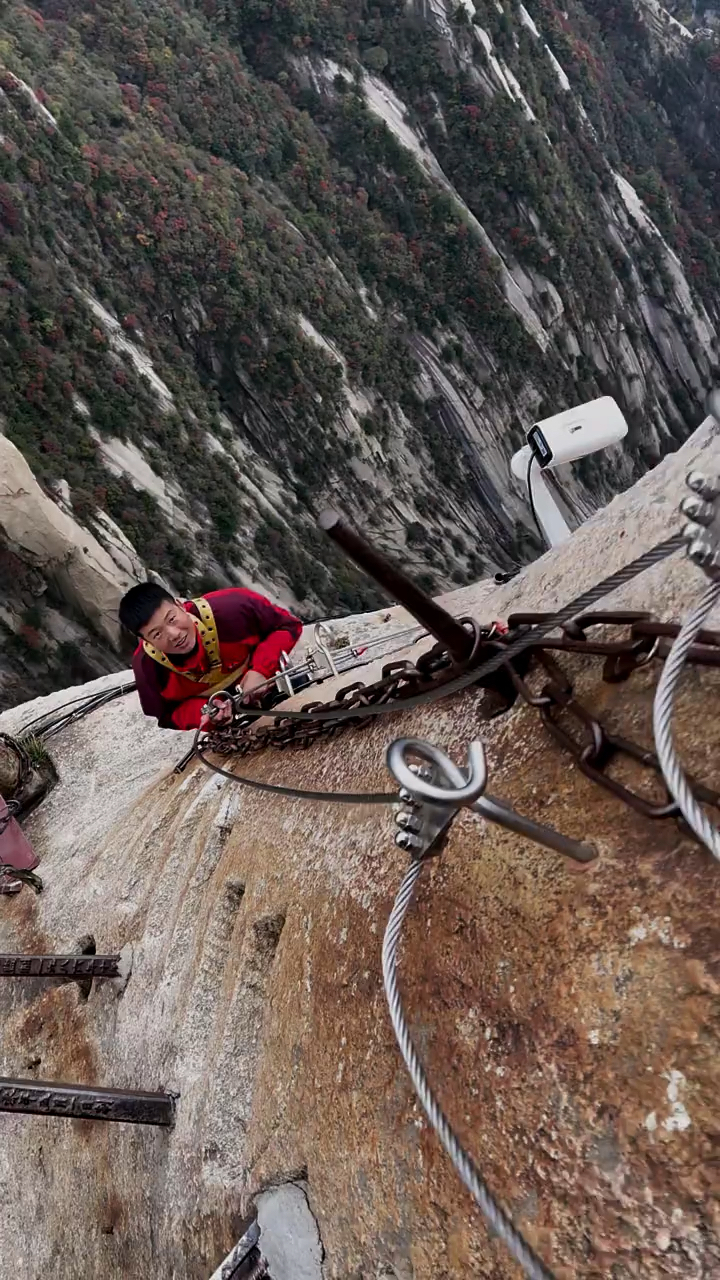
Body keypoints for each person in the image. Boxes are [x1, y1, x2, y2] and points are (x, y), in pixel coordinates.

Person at [119, 582, 302, 731]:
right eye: (157, 634)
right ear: (145, 641)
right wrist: (204, 712)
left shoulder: (234, 607)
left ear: (180, 605)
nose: (173, 634)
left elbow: (287, 625)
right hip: (225, 716)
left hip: (271, 681)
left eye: (171, 619)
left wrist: (261, 670)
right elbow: (166, 714)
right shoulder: (148, 669)